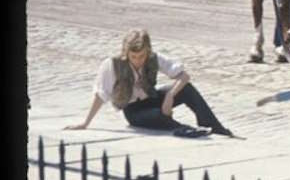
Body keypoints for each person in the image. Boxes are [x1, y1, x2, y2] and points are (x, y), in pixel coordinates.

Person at [67, 28, 232, 137]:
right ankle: (185, 129)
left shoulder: (154, 58)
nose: (138, 60)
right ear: (126, 53)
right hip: (133, 111)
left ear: (148, 51)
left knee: (187, 89)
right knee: (158, 116)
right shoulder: (112, 64)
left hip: (152, 99)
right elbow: (101, 94)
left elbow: (184, 76)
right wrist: (85, 123)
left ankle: (212, 125)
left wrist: (170, 96)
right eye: (133, 57)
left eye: (142, 56)